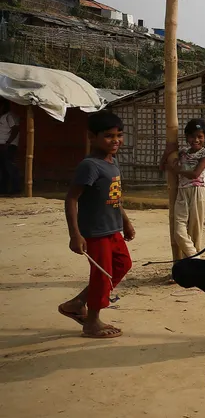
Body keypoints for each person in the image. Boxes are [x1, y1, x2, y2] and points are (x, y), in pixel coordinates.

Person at [59, 111, 135, 339]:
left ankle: (78, 303)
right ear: (92, 137)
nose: (116, 141)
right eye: (109, 136)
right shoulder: (90, 166)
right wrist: (75, 234)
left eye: (119, 135)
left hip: (113, 229)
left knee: (122, 265)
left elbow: (115, 198)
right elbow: (71, 198)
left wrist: (126, 222)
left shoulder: (113, 163)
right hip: (96, 232)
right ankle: (92, 322)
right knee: (102, 275)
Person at [163, 119, 205, 257]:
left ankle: (191, 268)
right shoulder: (182, 153)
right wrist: (168, 151)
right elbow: (163, 166)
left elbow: (195, 174)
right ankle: (196, 258)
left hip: (198, 192)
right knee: (178, 232)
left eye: (199, 136)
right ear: (186, 137)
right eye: (192, 136)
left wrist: (176, 169)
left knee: (194, 233)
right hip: (182, 192)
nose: (195, 140)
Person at [0, 99, 21, 195]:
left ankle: (16, 189)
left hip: (8, 145)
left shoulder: (9, 116)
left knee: (10, 167)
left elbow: (15, 129)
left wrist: (8, 143)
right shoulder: (3, 116)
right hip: (3, 144)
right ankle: (3, 189)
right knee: (3, 168)